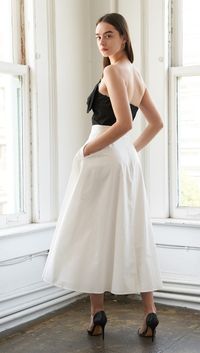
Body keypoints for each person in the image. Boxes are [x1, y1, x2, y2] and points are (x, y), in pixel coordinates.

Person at [42, 12, 163, 341]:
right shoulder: (134, 74)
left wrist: (87, 150)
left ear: (124, 38)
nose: (102, 42)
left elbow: (123, 123)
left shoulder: (112, 71)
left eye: (108, 35)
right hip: (123, 160)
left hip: (103, 157)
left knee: (91, 233)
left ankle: (97, 314)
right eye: (98, 36)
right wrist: (130, 152)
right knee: (135, 229)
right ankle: (149, 312)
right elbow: (155, 123)